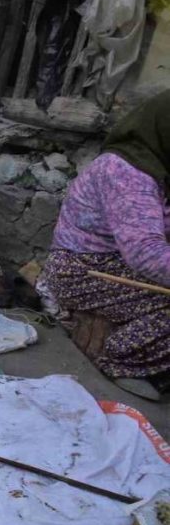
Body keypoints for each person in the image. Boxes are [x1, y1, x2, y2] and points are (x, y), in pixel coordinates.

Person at [41, 90, 170, 400]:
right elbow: (145, 252)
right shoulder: (125, 171)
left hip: (117, 265)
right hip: (83, 270)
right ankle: (119, 358)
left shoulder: (161, 168)